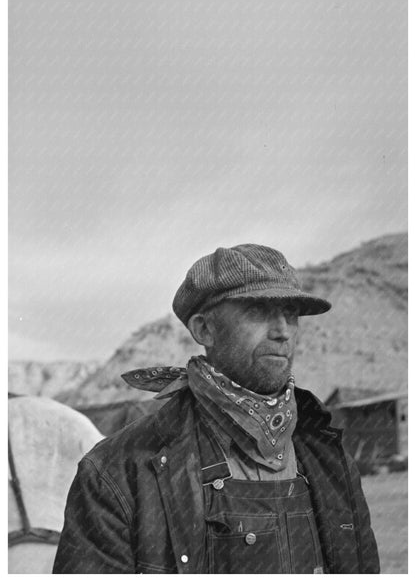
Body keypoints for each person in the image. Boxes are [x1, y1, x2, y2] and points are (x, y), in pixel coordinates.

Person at [53, 244, 380, 574]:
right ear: (204, 330)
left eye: (291, 314)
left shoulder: (326, 454)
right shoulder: (116, 471)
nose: (282, 331)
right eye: (258, 311)